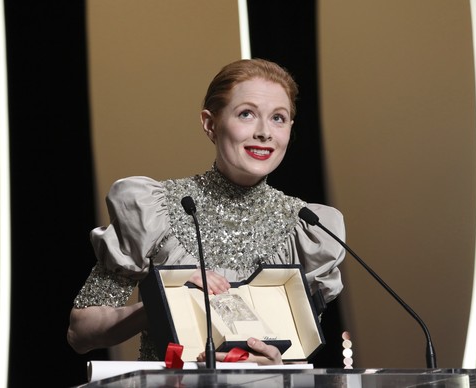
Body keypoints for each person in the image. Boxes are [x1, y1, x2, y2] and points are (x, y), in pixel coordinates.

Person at [67, 58, 346, 365]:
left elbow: (295, 355)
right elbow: (81, 333)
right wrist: (164, 301)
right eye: (246, 114)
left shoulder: (308, 229)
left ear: (290, 129)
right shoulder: (156, 209)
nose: (265, 132)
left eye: (278, 118)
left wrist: (278, 364)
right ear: (210, 123)